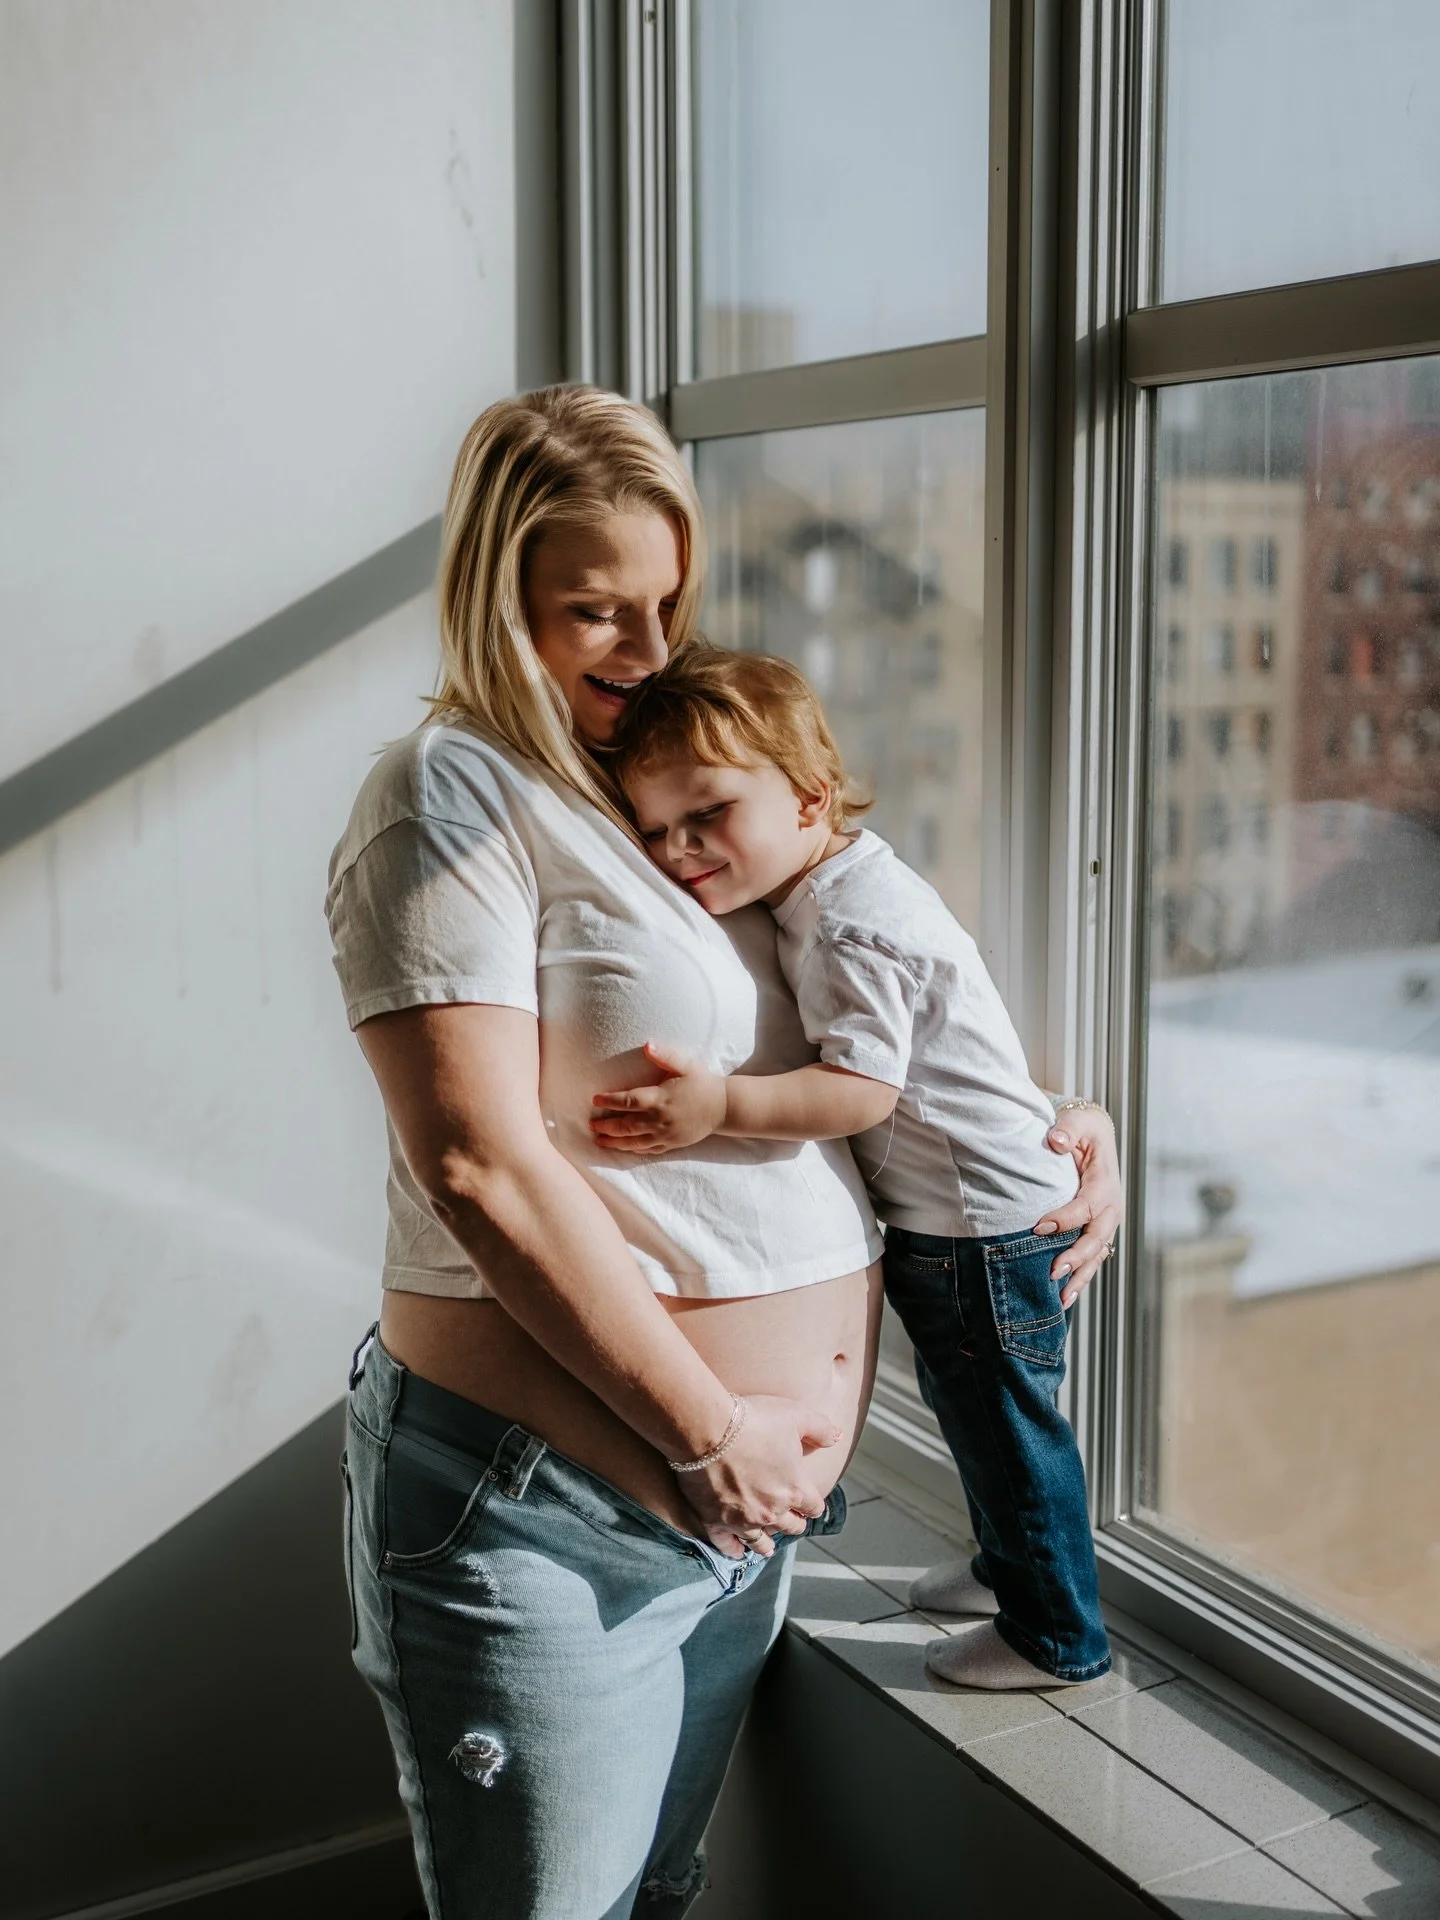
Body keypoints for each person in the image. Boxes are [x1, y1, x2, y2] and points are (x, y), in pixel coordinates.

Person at [326, 385, 1123, 1920]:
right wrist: (707, 1432)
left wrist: (1042, 1121)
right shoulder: (448, 799)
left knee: (662, 1893)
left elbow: (834, 991)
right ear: (495, 598)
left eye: (668, 599)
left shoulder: (654, 782)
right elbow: (477, 1165)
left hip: (731, 1515)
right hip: (559, 1499)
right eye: (594, 613)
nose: (646, 647)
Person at [601, 646, 1118, 1690]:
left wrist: (718, 1106)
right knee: (987, 1418)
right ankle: (1010, 1565)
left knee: (1010, 1430)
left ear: (809, 797)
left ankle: (1055, 1633)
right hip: (979, 1215)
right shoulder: (842, 880)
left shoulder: (843, 923)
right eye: (655, 829)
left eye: (706, 812)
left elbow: (861, 1091)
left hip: (979, 1231)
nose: (677, 847)